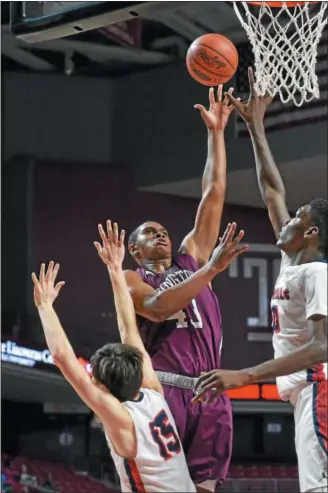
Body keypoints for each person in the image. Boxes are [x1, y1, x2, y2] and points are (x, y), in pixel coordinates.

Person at [194, 68, 328, 493]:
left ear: (311, 234)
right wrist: (255, 127)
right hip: (307, 392)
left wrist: (246, 375)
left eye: (298, 218)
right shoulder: (295, 262)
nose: (286, 221)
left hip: (319, 387)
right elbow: (272, 190)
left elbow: (322, 346)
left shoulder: (317, 272)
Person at [123, 86, 245, 492]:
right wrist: (211, 269)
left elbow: (213, 195)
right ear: (133, 249)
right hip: (167, 389)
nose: (161, 235)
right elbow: (157, 308)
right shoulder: (130, 278)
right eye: (150, 233)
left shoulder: (189, 259)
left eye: (163, 231)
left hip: (211, 391)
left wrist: (216, 134)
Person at [32, 229, 195, 492]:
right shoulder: (153, 393)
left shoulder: (121, 417)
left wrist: (44, 307)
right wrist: (115, 268)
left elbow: (64, 358)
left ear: (104, 388)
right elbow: (128, 327)